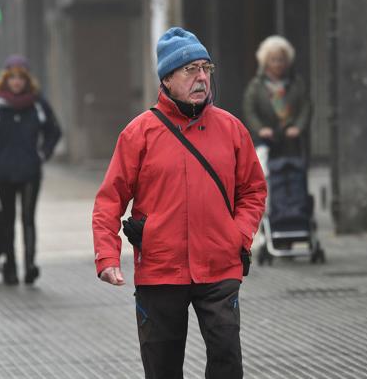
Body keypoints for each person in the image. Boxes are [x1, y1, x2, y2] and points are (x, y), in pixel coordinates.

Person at [92, 27, 266, 378]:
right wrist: (107, 255)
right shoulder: (139, 133)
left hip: (219, 266)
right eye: (190, 70)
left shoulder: (232, 129)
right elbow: (110, 200)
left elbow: (253, 190)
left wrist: (238, 235)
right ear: (167, 79)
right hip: (160, 270)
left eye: (206, 69)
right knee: (162, 369)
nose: (202, 78)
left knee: (228, 362)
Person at [0, 55, 61, 285]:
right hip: (3, 172)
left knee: (28, 218)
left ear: (27, 80)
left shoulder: (38, 104)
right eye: (11, 77)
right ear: (5, 79)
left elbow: (54, 131)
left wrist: (43, 153)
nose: (16, 82)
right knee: (7, 220)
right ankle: (10, 266)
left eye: (20, 77)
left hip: (30, 171)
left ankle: (30, 264)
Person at [242, 35, 312, 172]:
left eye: (281, 60)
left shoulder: (297, 84)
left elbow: (306, 107)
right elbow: (249, 110)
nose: (278, 64)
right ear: (266, 62)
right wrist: (260, 129)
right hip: (266, 141)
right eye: (273, 60)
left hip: (293, 143)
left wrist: (298, 127)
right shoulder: (256, 86)